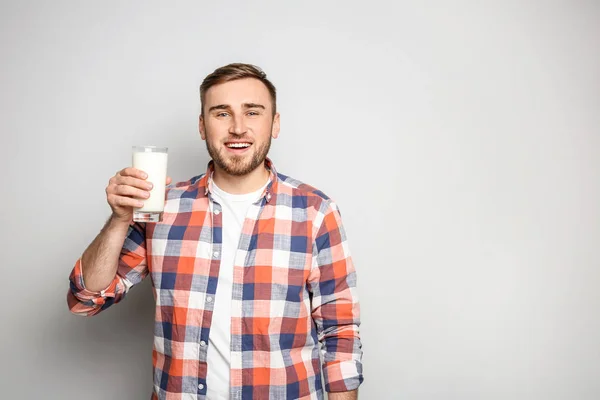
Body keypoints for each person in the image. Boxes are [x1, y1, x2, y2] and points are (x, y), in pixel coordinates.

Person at [67, 63, 363, 400]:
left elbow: (340, 333)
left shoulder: (315, 212)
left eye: (253, 112)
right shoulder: (162, 209)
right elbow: (85, 299)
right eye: (222, 114)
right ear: (202, 126)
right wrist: (120, 218)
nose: (238, 128)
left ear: (275, 124)